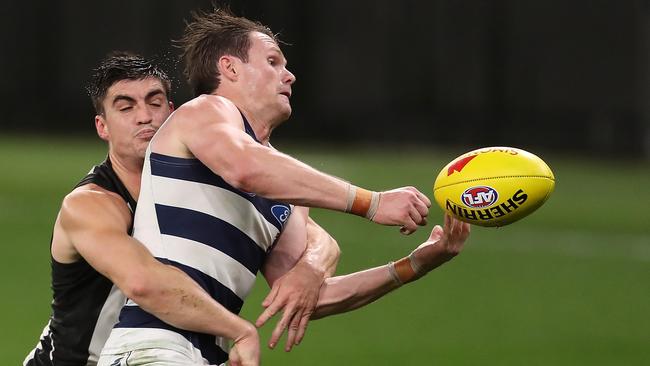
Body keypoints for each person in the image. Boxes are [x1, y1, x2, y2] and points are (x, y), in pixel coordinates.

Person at [97, 9, 466, 366]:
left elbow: (312, 300)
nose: (289, 76)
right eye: (273, 62)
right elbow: (244, 167)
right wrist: (371, 202)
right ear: (230, 68)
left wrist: (416, 263)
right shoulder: (206, 111)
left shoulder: (280, 185)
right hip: (153, 345)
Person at [23, 52, 340, 366]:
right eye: (126, 107)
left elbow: (313, 235)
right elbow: (143, 282)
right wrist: (239, 330)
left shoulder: (199, 175)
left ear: (173, 112)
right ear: (102, 127)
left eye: (155, 102)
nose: (144, 116)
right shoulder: (91, 204)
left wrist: (311, 268)